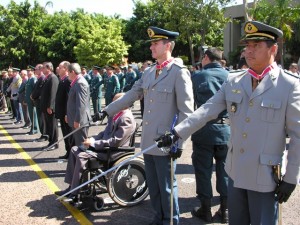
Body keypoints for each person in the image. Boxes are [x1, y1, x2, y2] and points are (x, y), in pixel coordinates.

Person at [157, 21, 299, 225]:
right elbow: (207, 110)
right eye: (247, 46)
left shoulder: (289, 85)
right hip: (235, 172)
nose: (248, 52)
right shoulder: (234, 81)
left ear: (273, 49)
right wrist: (177, 132)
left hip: (265, 177)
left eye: (256, 46)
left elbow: (297, 136)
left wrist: (291, 178)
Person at [101, 26, 194, 225]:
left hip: (167, 141)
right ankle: (158, 217)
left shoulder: (179, 72)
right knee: (153, 184)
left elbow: (187, 111)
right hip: (149, 140)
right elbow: (132, 95)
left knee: (167, 186)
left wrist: (180, 143)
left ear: (167, 45)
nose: (151, 47)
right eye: (151, 43)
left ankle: (171, 220)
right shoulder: (150, 72)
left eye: (155, 43)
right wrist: (107, 110)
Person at [55, 92, 136, 199]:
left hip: (114, 151)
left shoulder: (126, 118)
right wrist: (92, 139)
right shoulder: (115, 114)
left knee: (81, 156)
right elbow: (104, 133)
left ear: (123, 103)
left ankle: (76, 191)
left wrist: (94, 144)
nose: (112, 105)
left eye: (115, 102)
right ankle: (71, 187)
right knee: (74, 149)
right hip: (105, 147)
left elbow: (115, 141)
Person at [190, 47, 230, 223]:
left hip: (203, 130)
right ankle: (225, 210)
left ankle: (205, 210)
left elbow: (189, 103)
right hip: (226, 131)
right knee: (226, 172)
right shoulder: (231, 76)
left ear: (206, 58)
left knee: (203, 171)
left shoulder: (197, 76)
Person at [66, 63, 91, 146]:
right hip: (76, 119)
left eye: (68, 72)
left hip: (80, 120)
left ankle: (81, 159)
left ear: (72, 72)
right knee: (78, 144)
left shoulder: (80, 83)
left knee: (82, 145)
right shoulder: (77, 82)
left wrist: (77, 120)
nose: (67, 75)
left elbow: (81, 104)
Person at [55, 61, 74, 159]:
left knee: (68, 133)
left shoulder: (67, 81)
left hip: (65, 113)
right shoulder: (62, 80)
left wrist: (67, 113)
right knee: (65, 133)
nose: (58, 69)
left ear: (66, 69)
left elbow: (68, 98)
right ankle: (68, 152)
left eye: (60, 67)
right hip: (62, 113)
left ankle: (70, 153)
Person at [40, 62, 59, 150]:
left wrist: (50, 106)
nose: (42, 69)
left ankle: (54, 143)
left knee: (53, 125)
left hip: (50, 107)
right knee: (49, 125)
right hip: (46, 106)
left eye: (43, 68)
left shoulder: (53, 78)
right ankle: (51, 142)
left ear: (48, 68)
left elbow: (53, 94)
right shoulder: (47, 78)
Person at [31, 64, 47, 141]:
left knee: (41, 118)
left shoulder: (42, 78)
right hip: (37, 101)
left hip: (40, 101)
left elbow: (39, 91)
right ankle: (43, 134)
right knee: (40, 118)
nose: (35, 70)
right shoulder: (39, 78)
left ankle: (44, 134)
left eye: (36, 69)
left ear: (40, 70)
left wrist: (33, 96)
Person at [25, 65, 39, 135]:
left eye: (29, 71)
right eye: (27, 71)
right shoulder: (29, 79)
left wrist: (33, 99)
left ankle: (34, 129)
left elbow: (35, 89)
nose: (28, 72)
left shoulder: (33, 79)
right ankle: (32, 128)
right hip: (29, 100)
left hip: (32, 100)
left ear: (33, 71)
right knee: (31, 115)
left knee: (33, 115)